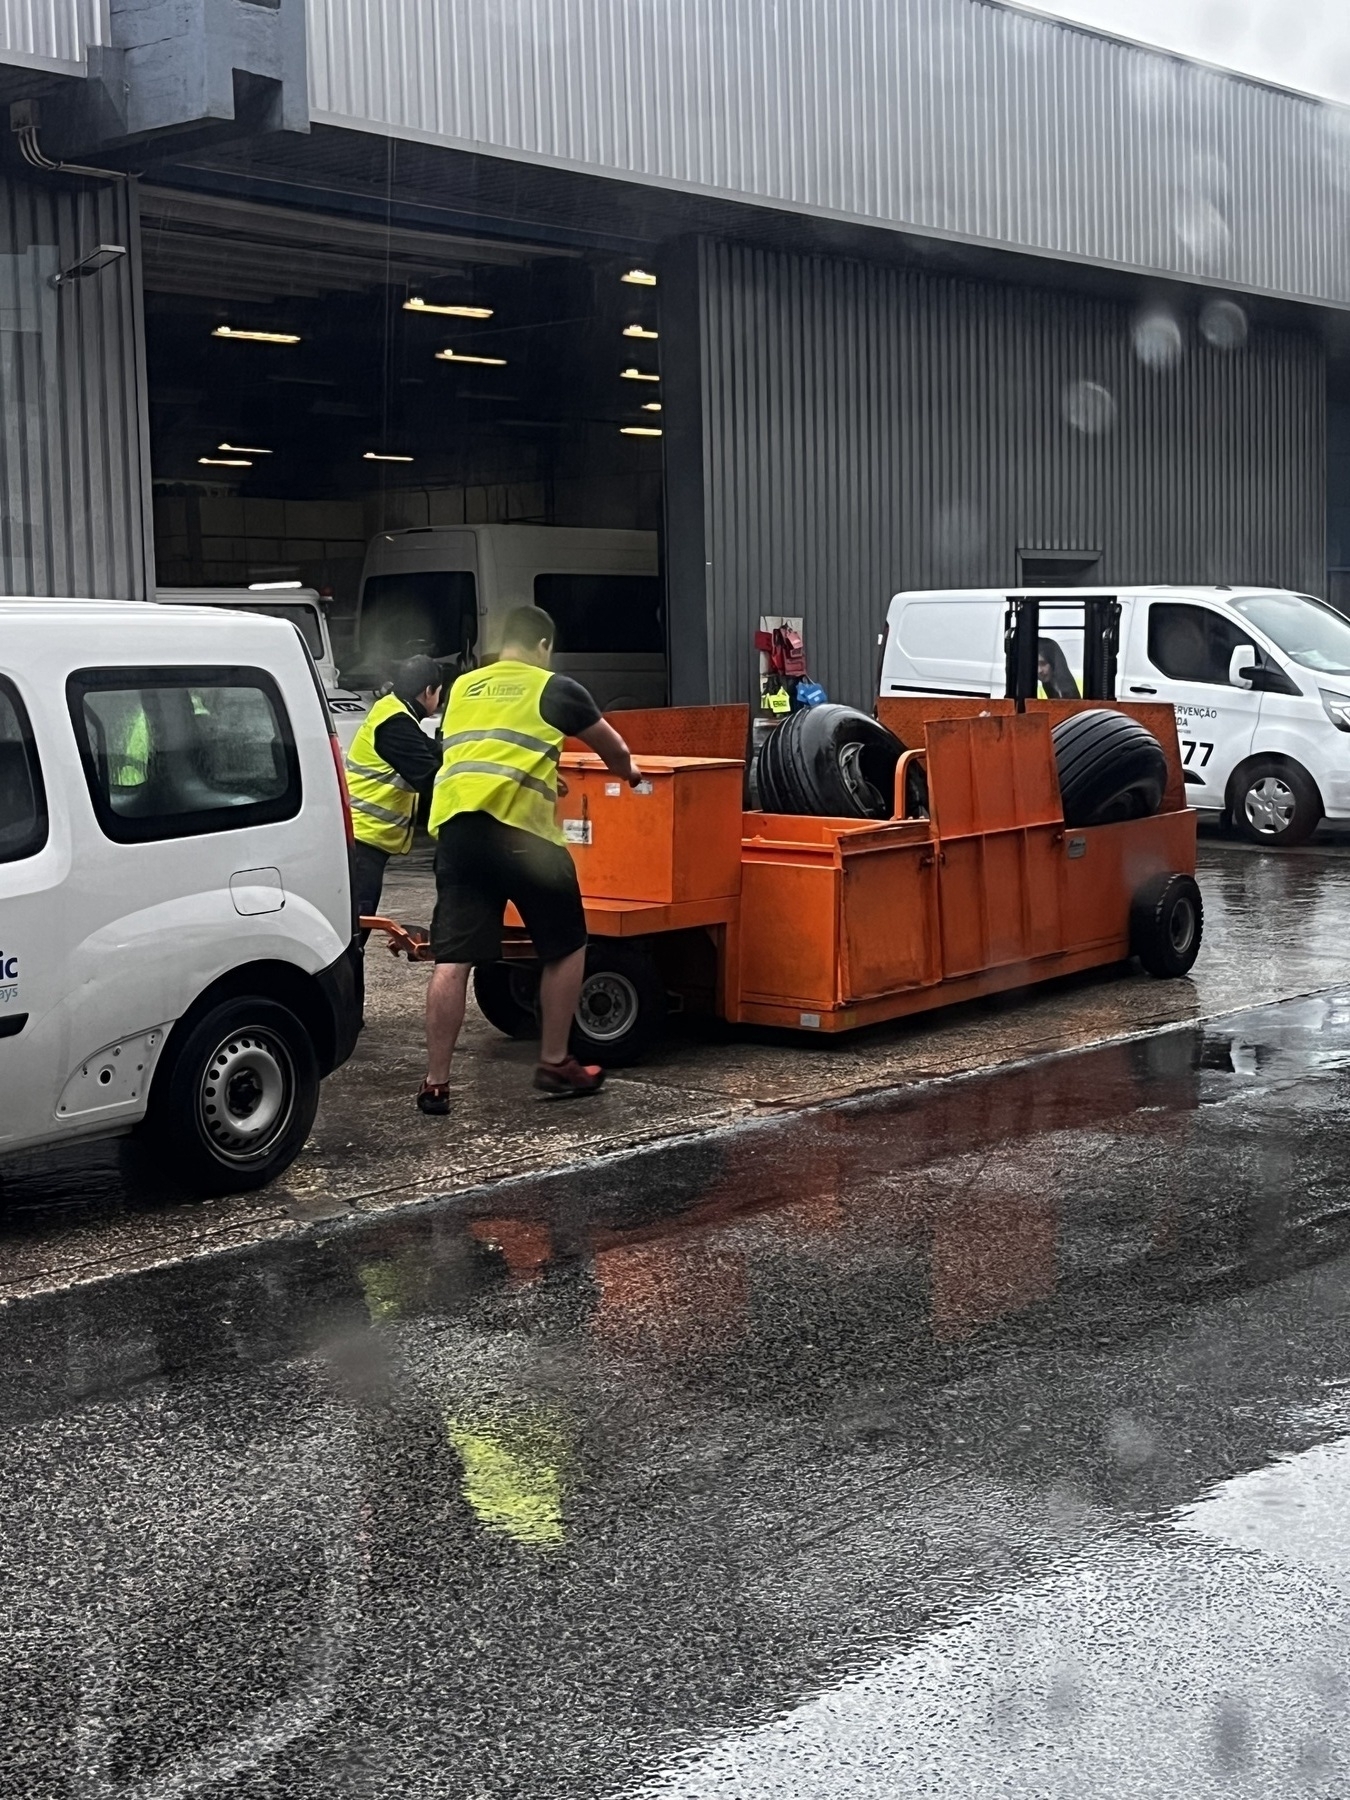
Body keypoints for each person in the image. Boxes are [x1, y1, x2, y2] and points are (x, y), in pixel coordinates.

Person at [418, 604, 641, 1115]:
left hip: (457, 832)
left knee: (454, 959)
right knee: (565, 945)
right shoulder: (553, 687)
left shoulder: (463, 690)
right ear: (544, 645)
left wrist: (546, 773)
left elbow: (487, 753)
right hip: (521, 837)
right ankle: (555, 1062)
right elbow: (615, 750)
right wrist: (630, 775)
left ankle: (436, 1084)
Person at [345, 654, 444, 935]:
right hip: (363, 840)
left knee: (357, 926)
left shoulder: (393, 712)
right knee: (356, 931)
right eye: (439, 692)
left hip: (365, 840)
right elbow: (430, 777)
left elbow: (435, 751)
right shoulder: (395, 724)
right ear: (428, 691)